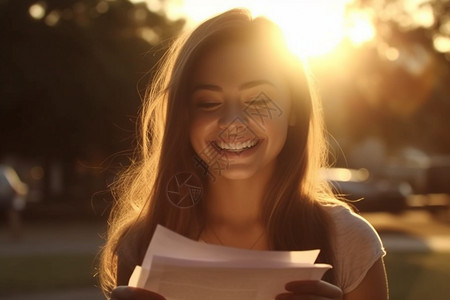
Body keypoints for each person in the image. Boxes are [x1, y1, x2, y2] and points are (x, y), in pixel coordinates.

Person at [99, 8, 388, 300]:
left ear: (294, 110)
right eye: (209, 102)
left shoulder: (350, 242)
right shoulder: (141, 243)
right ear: (183, 117)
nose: (233, 122)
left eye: (257, 99)